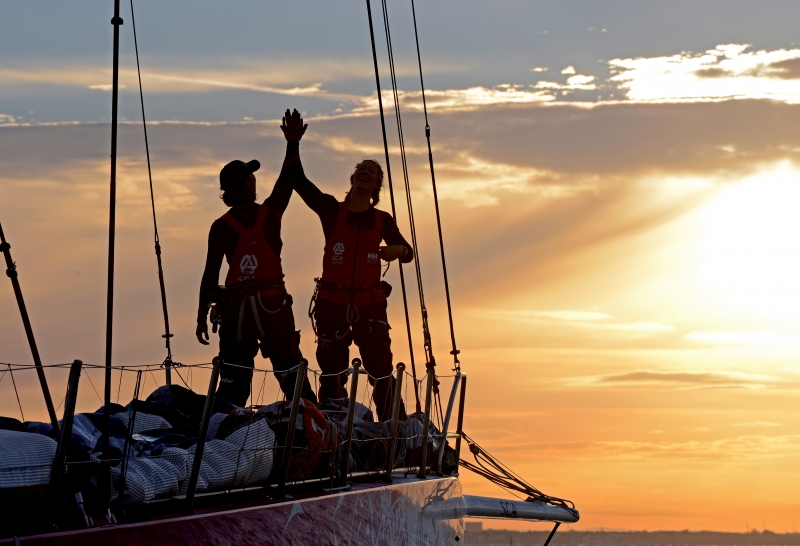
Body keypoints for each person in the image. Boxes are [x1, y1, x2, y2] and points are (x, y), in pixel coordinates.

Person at [289, 117, 413, 421]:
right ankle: (331, 427)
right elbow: (299, 182)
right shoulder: (332, 211)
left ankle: (392, 428)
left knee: (382, 372)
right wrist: (294, 143)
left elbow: (408, 253)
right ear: (353, 178)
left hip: (371, 308)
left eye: (372, 172)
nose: (365, 173)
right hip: (332, 306)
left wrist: (398, 250)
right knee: (332, 373)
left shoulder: (383, 220)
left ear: (376, 187)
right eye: (362, 169)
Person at [195, 109, 316, 408]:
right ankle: (315, 431)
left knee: (233, 387)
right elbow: (288, 178)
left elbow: (210, 277)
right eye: (251, 175)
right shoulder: (271, 212)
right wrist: (293, 142)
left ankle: (218, 437)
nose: (254, 178)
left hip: (236, 313)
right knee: (292, 377)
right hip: (272, 306)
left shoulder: (220, 227)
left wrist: (201, 315)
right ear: (248, 184)